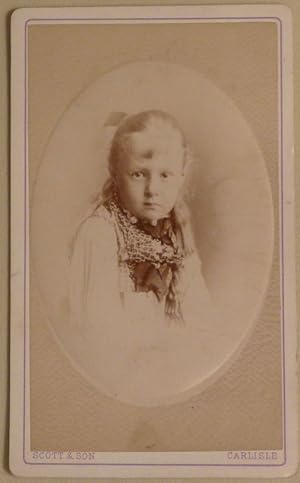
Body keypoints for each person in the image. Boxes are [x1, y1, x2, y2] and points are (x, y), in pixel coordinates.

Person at [68, 110, 222, 404]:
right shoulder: (99, 235)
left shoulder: (175, 234)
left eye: (165, 175)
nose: (153, 190)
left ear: (181, 176)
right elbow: (100, 344)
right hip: (117, 393)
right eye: (138, 174)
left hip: (171, 386)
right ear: (116, 174)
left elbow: (206, 326)